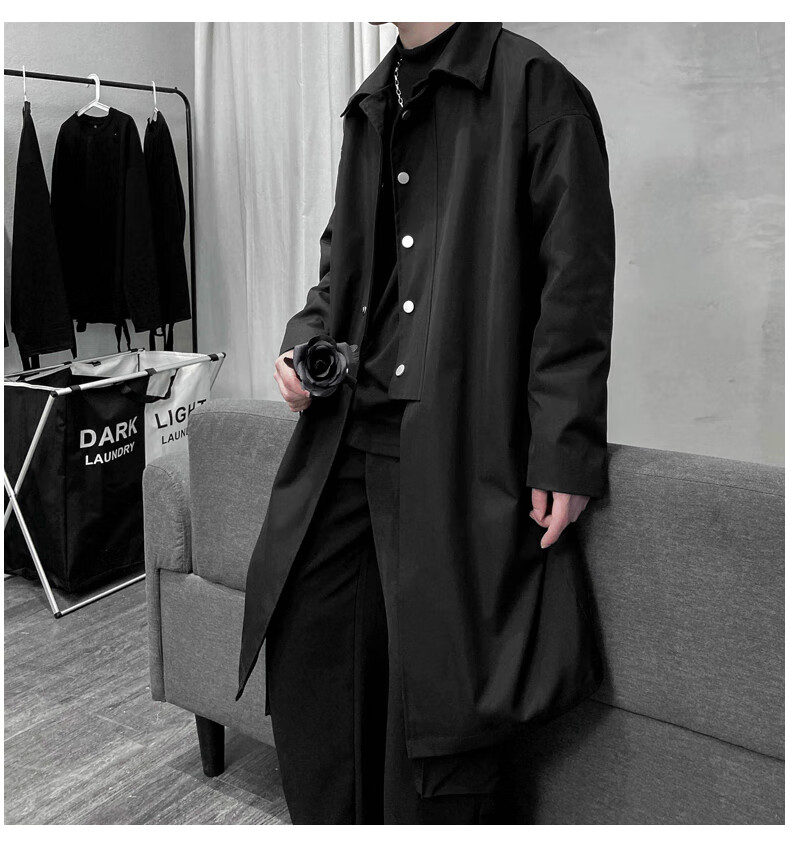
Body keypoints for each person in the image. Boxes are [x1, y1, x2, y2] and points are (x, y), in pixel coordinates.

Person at [238, 21, 615, 824]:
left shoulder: (537, 90)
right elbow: (339, 273)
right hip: (344, 439)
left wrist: (565, 448)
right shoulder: (372, 102)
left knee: (442, 709)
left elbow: (575, 284)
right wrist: (305, 344)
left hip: (455, 448)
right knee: (309, 663)